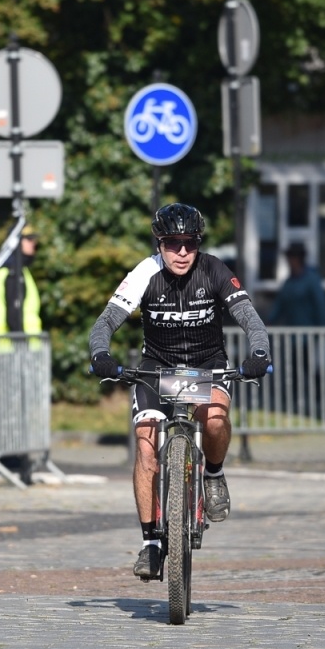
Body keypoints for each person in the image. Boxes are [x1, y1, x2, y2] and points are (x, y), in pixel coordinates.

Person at [89, 203, 272, 580]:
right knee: (145, 445)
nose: (183, 251)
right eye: (173, 243)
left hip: (207, 365)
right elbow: (105, 322)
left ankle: (214, 475)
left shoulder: (214, 269)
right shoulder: (145, 273)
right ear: (159, 244)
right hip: (157, 368)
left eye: (191, 243)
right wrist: (101, 354)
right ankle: (151, 544)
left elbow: (251, 320)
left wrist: (258, 353)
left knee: (216, 419)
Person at [0, 225, 42, 483]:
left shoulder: (20, 271)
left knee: (15, 406)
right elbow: (13, 315)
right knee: (10, 408)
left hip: (19, 351)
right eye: (28, 239)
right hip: (10, 351)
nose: (33, 244)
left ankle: (10, 455)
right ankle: (6, 457)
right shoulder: (9, 273)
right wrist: (20, 347)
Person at [266, 242, 325, 326]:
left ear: (298, 259)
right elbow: (279, 306)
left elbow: (320, 306)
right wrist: (267, 324)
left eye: (291, 257)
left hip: (309, 331)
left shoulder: (312, 280)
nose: (289, 261)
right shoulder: (288, 284)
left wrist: (321, 330)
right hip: (292, 332)